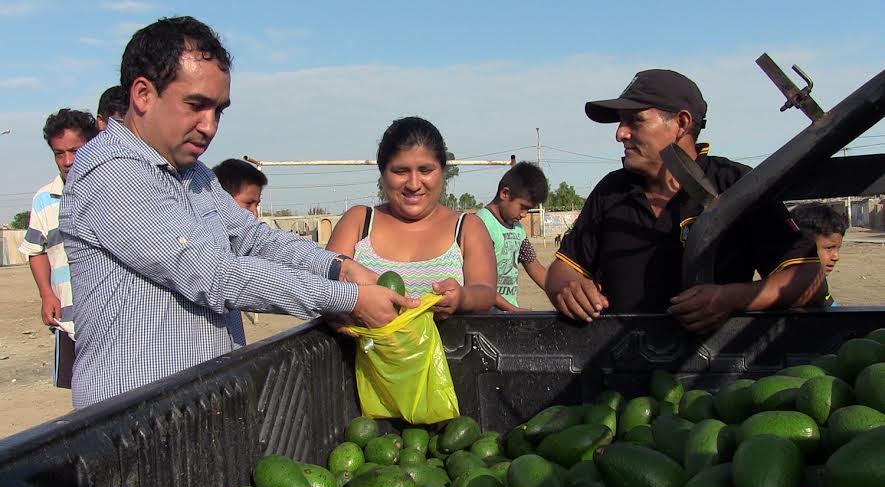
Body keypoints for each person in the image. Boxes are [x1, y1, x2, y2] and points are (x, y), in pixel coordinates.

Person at [58, 16, 415, 408]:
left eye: (219, 111)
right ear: (143, 94)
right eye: (196, 105)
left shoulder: (194, 175)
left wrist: (338, 268)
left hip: (202, 404)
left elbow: (254, 239)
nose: (209, 126)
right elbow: (215, 275)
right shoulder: (110, 173)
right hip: (135, 418)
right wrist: (346, 299)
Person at [546, 69, 825, 333]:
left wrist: (730, 298)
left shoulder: (736, 184)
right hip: (621, 362)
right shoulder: (611, 190)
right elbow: (563, 269)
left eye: (635, 120)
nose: (620, 133)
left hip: (711, 364)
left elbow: (808, 278)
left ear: (681, 123)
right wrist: (567, 287)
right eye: (621, 121)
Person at [325, 116, 496, 324]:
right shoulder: (358, 222)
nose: (414, 184)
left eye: (425, 170)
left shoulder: (468, 228)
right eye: (400, 171)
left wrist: (462, 297)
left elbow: (485, 292)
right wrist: (344, 311)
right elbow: (326, 287)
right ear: (383, 173)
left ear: (443, 171)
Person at [19, 109, 99, 388]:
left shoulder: (109, 191)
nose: (67, 161)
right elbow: (35, 250)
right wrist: (46, 294)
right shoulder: (44, 199)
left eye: (75, 151)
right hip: (69, 321)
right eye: (59, 153)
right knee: (81, 396)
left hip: (109, 317)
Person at [476, 161, 549, 311]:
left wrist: (561, 291)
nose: (524, 214)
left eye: (529, 209)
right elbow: (479, 283)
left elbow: (534, 266)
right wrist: (512, 310)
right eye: (523, 207)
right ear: (505, 193)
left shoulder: (518, 229)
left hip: (508, 313)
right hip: (485, 315)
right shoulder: (480, 225)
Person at [213, 158, 269, 345]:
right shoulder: (213, 256)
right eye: (248, 203)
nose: (255, 213)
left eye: (257, 204)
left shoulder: (238, 248)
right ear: (223, 202)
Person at [792, 202, 848, 305]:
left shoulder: (818, 283)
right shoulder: (790, 291)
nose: (836, 257)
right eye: (829, 248)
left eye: (838, 249)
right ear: (802, 246)